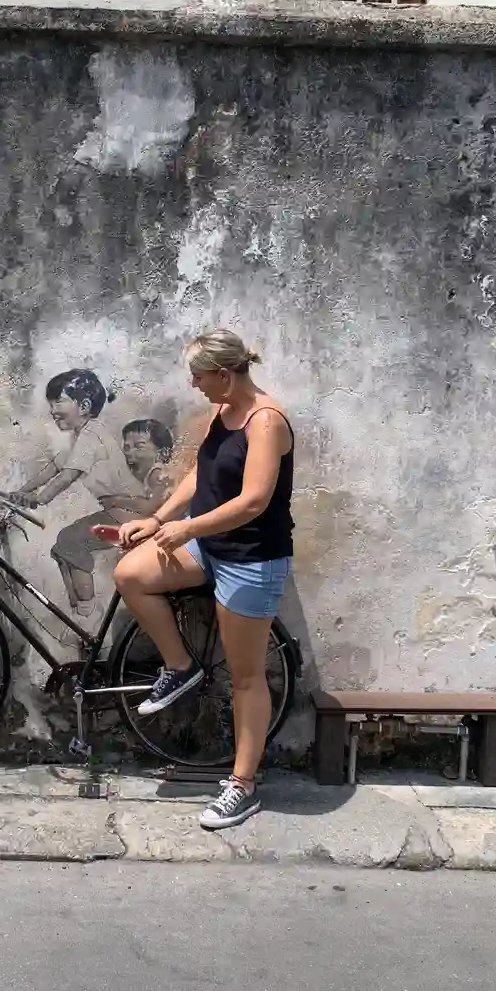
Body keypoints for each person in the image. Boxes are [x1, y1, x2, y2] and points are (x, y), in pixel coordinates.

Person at [114, 330, 294, 831]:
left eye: (199, 375)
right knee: (131, 572)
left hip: (251, 559)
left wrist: (186, 528)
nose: (193, 384)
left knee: (245, 678)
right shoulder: (222, 411)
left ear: (226, 374)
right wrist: (157, 519)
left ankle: (242, 785)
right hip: (209, 546)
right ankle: (180, 665)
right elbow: (201, 473)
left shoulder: (266, 422)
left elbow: (254, 500)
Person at [13, 369, 145, 613]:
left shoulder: (92, 435)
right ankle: (80, 611)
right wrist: (20, 491)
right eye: (51, 404)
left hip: (129, 511)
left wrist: (39, 498)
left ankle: (88, 617)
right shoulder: (81, 436)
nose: (53, 410)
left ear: (83, 406)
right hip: (117, 510)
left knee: (71, 541)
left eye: (59, 402)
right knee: (62, 549)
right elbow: (54, 467)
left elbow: (68, 474)